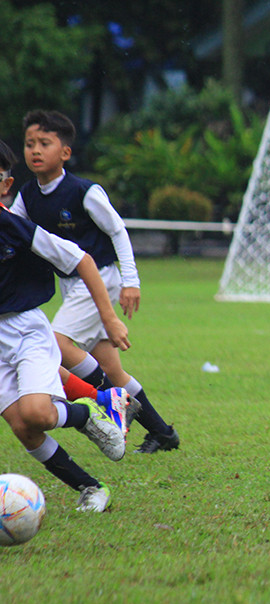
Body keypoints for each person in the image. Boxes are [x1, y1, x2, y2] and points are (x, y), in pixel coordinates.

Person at [9, 109, 179, 454]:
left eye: (45, 143)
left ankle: (108, 400)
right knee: (111, 368)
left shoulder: (84, 191)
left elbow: (117, 230)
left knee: (57, 343)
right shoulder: (26, 196)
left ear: (66, 152)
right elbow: (13, 233)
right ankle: (162, 432)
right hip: (73, 287)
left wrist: (131, 281)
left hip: (99, 279)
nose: (35, 150)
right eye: (29, 144)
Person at [0, 138, 130, 512]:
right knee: (25, 428)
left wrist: (109, 317)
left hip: (26, 332)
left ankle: (88, 413)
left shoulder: (16, 229)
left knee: (38, 412)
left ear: (6, 186)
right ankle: (91, 488)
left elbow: (84, 261)